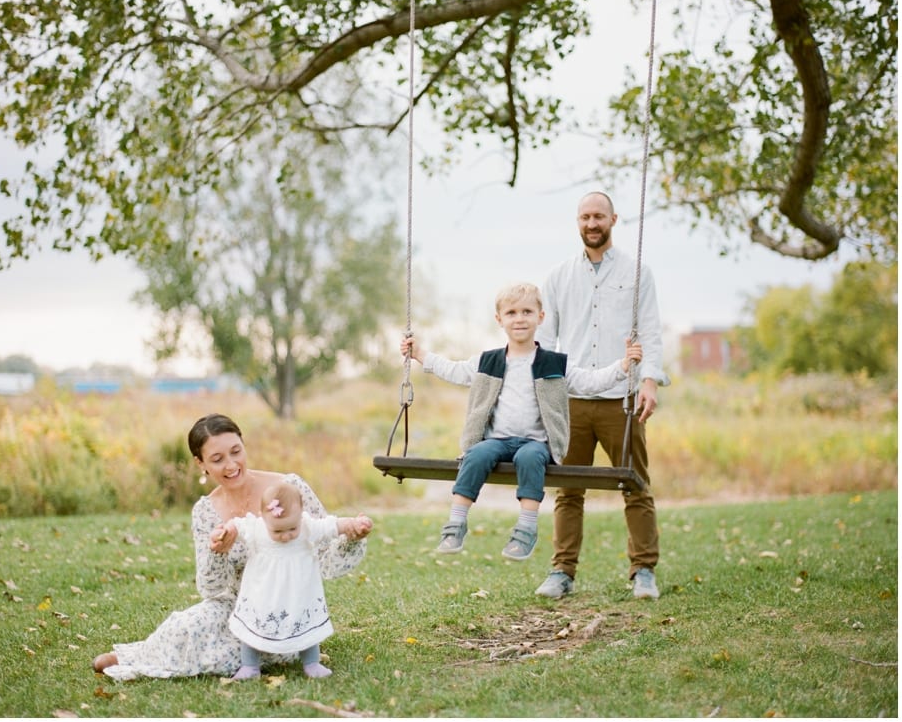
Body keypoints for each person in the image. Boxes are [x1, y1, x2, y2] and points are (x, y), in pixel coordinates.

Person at [92, 413, 371, 680]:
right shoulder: (205, 512)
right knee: (187, 624)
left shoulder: (288, 488)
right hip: (237, 607)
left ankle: (146, 660)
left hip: (288, 604)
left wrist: (351, 536)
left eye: (236, 451)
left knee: (227, 656)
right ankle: (138, 655)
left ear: (244, 445)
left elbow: (327, 559)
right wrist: (218, 552)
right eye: (217, 459)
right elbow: (211, 590)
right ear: (200, 464)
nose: (231, 465)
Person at [400, 282, 642, 561]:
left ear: (540, 317)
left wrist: (623, 366)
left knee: (529, 458)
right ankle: (456, 523)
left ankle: (526, 530)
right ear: (499, 319)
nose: (519, 318)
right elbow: (453, 370)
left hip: (536, 443)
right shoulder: (487, 361)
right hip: (496, 441)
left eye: (527, 311)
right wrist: (420, 355)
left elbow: (590, 382)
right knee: (475, 454)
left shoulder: (555, 363)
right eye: (512, 312)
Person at [534, 191, 670, 601]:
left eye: (599, 216)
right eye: (585, 217)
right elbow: (543, 340)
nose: (592, 224)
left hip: (621, 400)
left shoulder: (637, 271)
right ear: (577, 222)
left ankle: (643, 570)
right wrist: (540, 389)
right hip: (571, 400)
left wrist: (649, 381)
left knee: (635, 485)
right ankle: (562, 572)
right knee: (567, 490)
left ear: (613, 218)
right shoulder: (558, 276)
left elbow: (650, 331)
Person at [218, 482, 373, 680]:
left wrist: (353, 524)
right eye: (277, 532)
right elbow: (237, 525)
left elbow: (331, 525)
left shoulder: (308, 528)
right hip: (263, 595)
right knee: (251, 630)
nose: (286, 536)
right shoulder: (256, 529)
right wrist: (226, 531)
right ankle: (249, 666)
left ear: (301, 515)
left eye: (292, 528)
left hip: (299, 594)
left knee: (307, 628)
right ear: (263, 518)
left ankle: (312, 663)